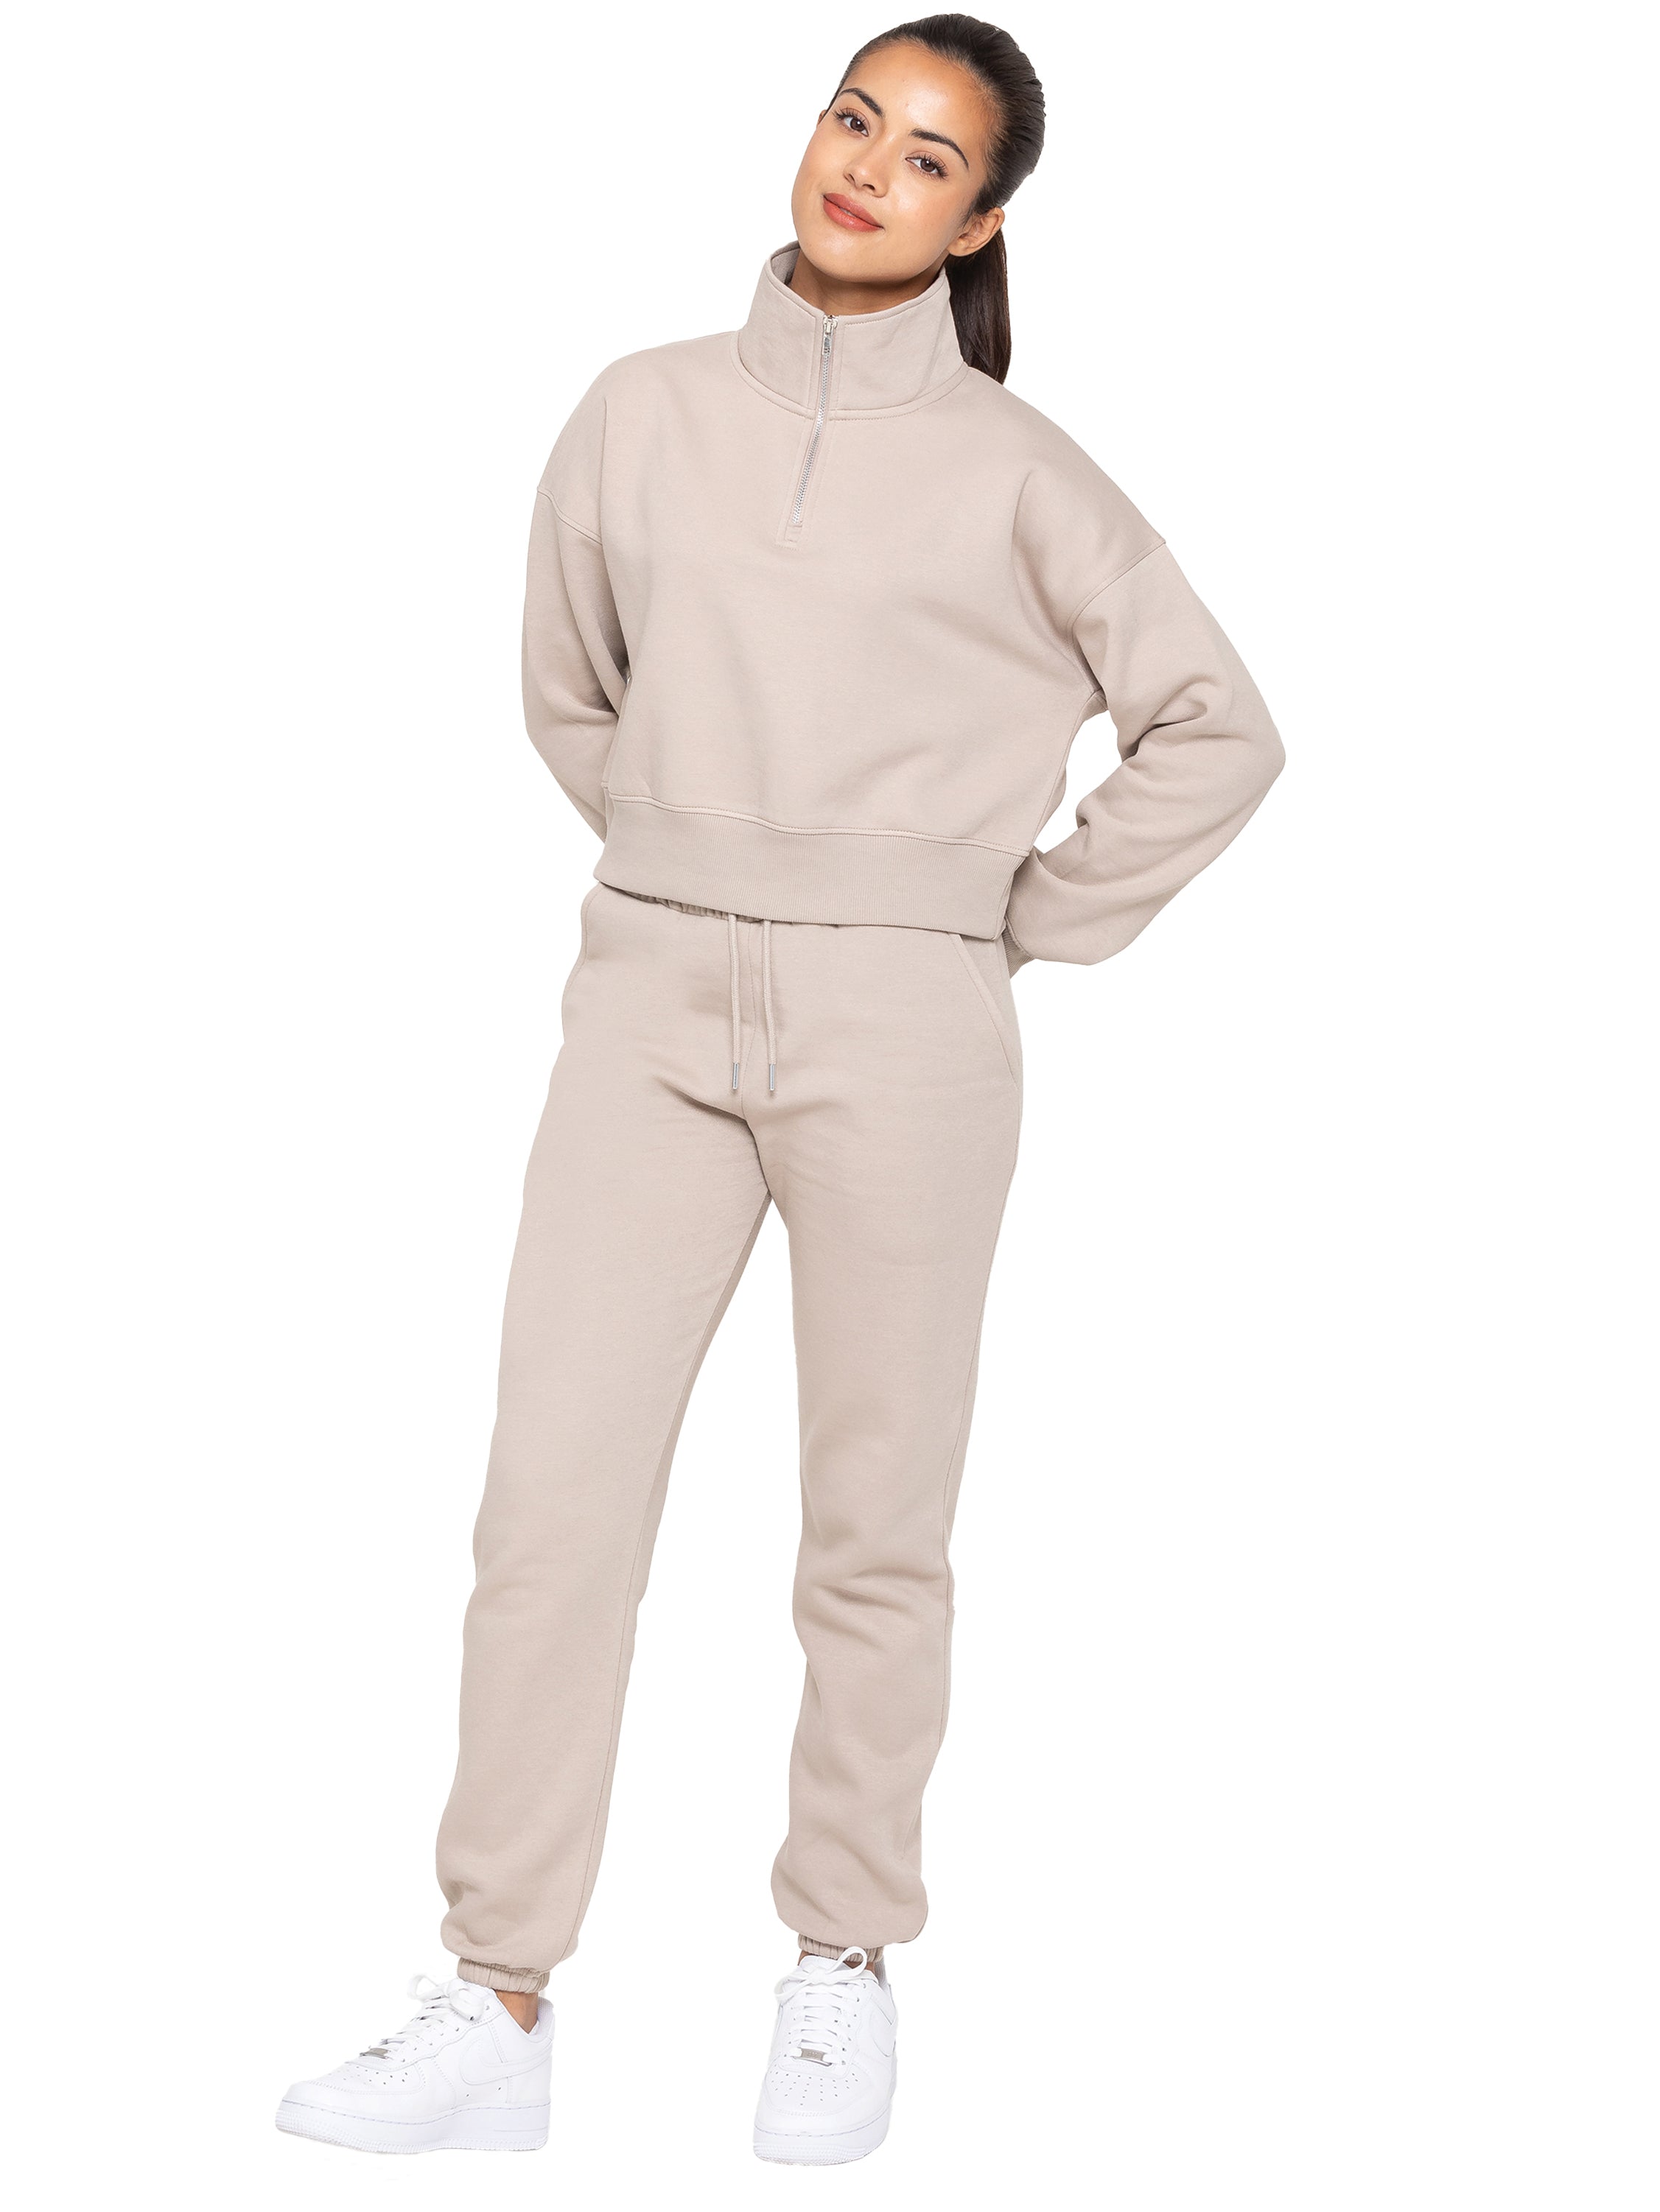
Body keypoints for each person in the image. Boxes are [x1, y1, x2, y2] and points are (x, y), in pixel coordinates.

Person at [276, 12, 1284, 2165]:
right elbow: (572, 694)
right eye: (853, 119)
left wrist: (1002, 916)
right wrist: (692, 855)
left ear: (980, 222)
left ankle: (842, 1958)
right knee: (551, 1505)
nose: (865, 169)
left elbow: (1220, 725)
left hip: (908, 1028)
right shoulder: (636, 411)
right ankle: (498, 1990)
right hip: (647, 1001)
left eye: (926, 158)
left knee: (874, 1525)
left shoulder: (1025, 473)